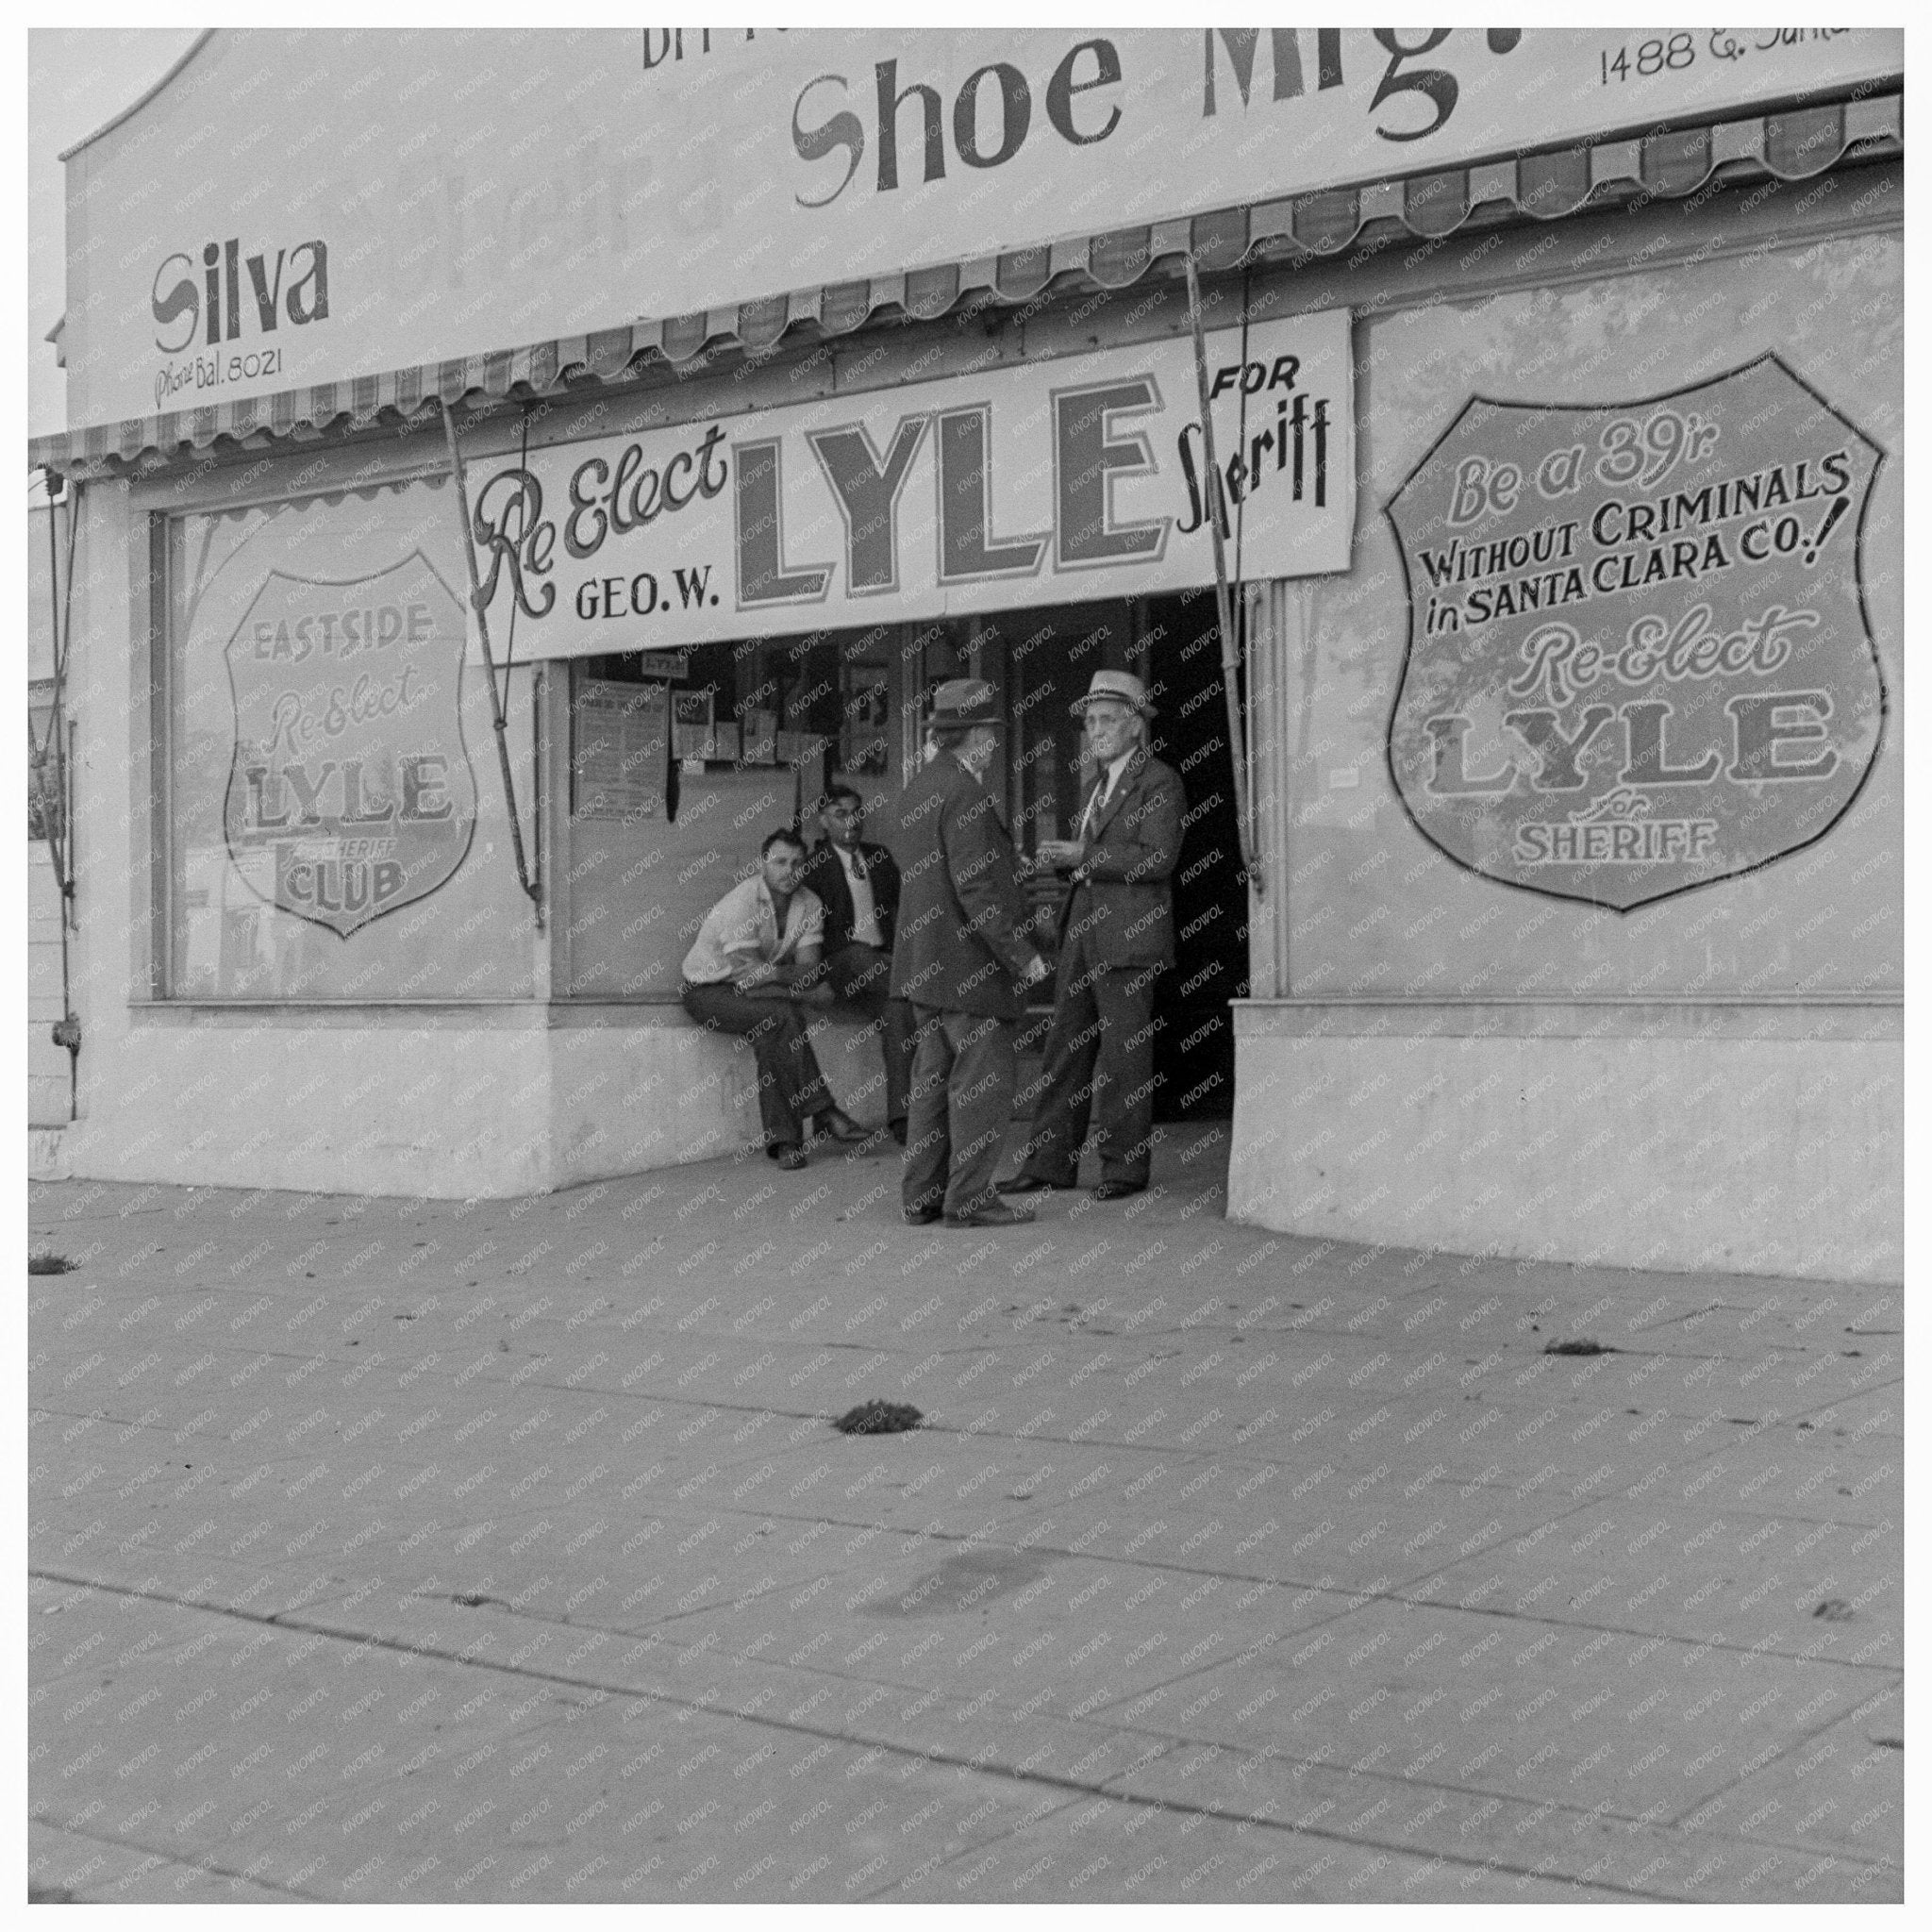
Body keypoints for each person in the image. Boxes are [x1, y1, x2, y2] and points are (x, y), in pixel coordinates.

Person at [1001, 670, 1185, 1202]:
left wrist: (1085, 856)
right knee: (1065, 1051)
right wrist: (1061, 864)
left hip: (1127, 937)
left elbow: (1157, 858)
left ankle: (1124, 1170)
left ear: (1135, 726)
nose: (1095, 728)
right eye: (1089, 720)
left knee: (1126, 1057)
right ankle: (1048, 1164)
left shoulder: (1160, 780)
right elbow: (1099, 861)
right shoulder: (1095, 786)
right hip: (1083, 931)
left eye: (1106, 718)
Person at [887, 680, 1051, 1228]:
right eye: (990, 733)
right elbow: (974, 889)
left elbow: (937, 876)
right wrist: (1021, 955)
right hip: (969, 971)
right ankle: (970, 1199)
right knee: (981, 1087)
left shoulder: (919, 790)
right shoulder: (967, 796)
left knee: (931, 1087)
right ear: (976, 735)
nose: (994, 744)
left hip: (924, 967)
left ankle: (921, 1197)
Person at [680, 827, 870, 1172]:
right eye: (780, 862)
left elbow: (808, 970)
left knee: (776, 1029)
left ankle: (787, 1144)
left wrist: (780, 977)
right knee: (783, 1017)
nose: (789, 871)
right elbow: (751, 983)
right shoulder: (742, 902)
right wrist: (807, 993)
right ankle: (823, 1110)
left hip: (764, 997)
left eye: (797, 863)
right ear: (763, 864)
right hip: (708, 994)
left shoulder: (809, 903)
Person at [800, 783, 917, 1145]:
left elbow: (902, 909)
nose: (851, 821)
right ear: (823, 821)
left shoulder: (879, 857)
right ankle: (926, 991)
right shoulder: (815, 866)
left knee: (898, 1012)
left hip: (882, 966)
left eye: (856, 812)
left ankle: (902, 1117)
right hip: (842, 962)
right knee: (863, 958)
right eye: (840, 814)